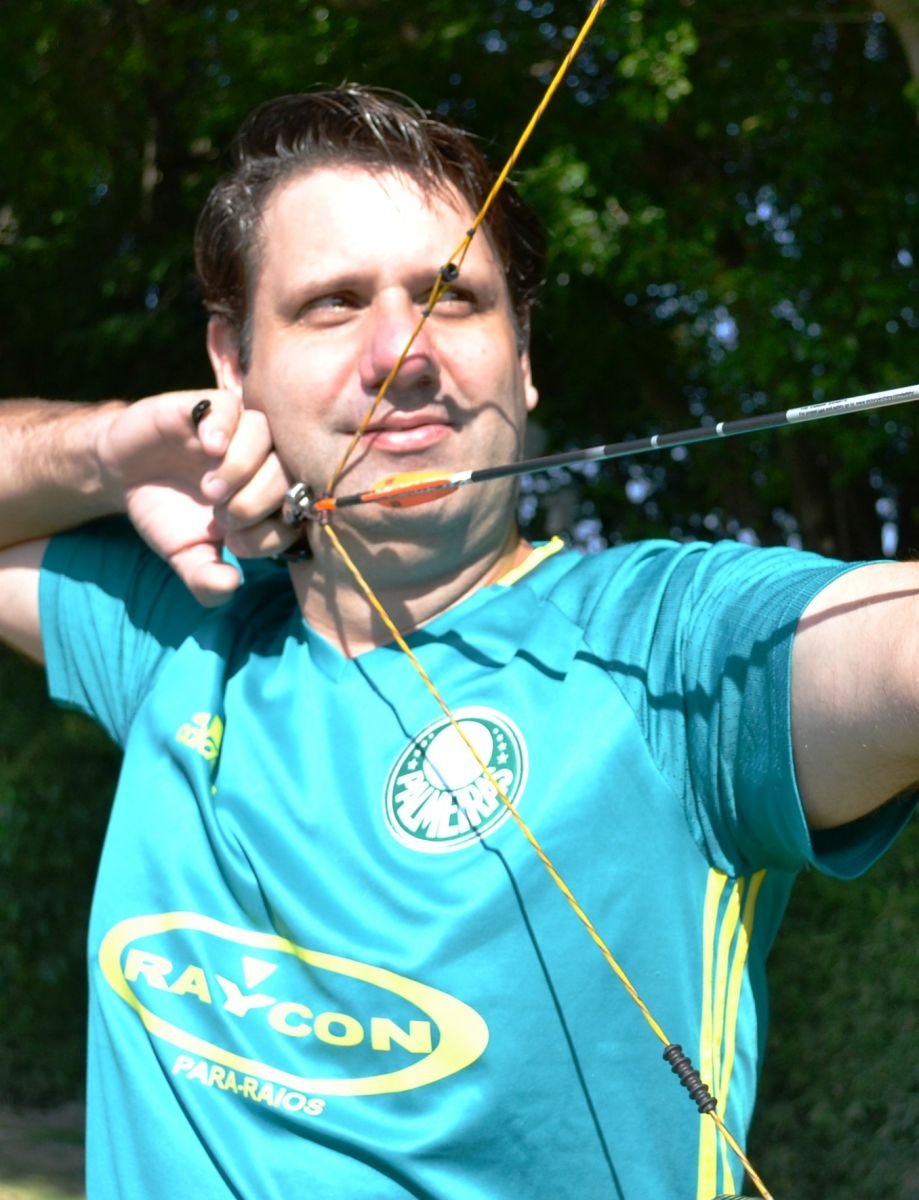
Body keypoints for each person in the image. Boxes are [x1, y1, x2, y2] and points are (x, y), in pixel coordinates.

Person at [0, 86, 915, 1200]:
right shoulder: (180, 626)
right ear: (233, 365)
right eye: (334, 304)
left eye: (458, 299)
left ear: (522, 363)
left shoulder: (666, 651)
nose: (404, 351)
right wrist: (103, 450)